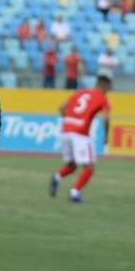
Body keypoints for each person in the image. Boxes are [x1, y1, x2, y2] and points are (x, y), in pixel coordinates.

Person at [50, 76, 112, 204]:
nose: (109, 90)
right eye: (109, 88)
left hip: (66, 130)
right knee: (89, 167)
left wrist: (70, 120)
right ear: (104, 85)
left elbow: (61, 108)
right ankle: (75, 193)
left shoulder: (80, 92)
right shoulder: (102, 97)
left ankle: (57, 176)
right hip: (80, 134)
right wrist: (106, 135)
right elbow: (106, 118)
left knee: (72, 165)